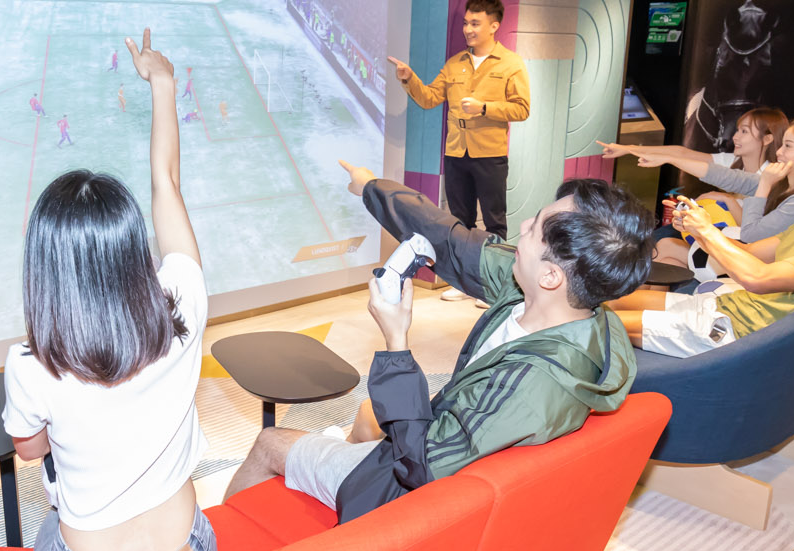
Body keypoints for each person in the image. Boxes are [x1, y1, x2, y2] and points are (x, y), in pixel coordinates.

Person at [222, 161, 653, 522]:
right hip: (440, 446)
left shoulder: (529, 384)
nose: (521, 226)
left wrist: (396, 340)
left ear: (551, 275)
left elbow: (421, 464)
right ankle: (331, 465)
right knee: (369, 413)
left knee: (269, 443)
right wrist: (373, 187)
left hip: (407, 489)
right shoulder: (567, 308)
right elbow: (450, 241)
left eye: (534, 229)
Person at [3, 28, 216, 551]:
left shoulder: (31, 365)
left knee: (46, 528)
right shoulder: (184, 304)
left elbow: (31, 450)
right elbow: (167, 183)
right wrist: (162, 82)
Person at [607, 129, 794, 358]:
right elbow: (750, 252)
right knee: (608, 300)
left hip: (733, 330)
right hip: (725, 306)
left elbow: (759, 278)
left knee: (595, 323)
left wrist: (708, 231)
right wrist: (700, 231)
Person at [388, 0, 531, 297]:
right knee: (459, 223)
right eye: (466, 23)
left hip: (490, 154)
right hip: (456, 152)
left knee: (494, 223)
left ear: (494, 26)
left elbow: (522, 109)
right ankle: (465, 284)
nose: (468, 29)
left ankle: (497, 287)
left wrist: (484, 108)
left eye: (475, 23)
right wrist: (409, 78)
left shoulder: (511, 63)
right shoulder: (455, 63)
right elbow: (429, 98)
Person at [602, 109, 794, 258]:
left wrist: (744, 194)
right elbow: (722, 175)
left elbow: (751, 235)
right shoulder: (778, 180)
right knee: (659, 247)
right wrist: (664, 158)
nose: (780, 152)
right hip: (729, 241)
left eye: (788, 146)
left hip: (742, 254)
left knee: (657, 247)